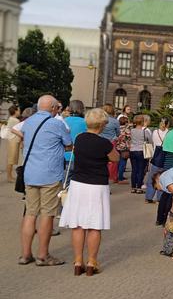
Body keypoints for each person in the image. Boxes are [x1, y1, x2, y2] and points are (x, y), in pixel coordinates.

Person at [59, 108, 119, 275]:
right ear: (102, 125)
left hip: (78, 183)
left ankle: (78, 260)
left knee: (78, 225)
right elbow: (116, 158)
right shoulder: (104, 143)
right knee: (94, 225)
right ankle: (92, 261)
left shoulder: (79, 139)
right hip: (97, 185)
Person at [18, 95, 72, 266]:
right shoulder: (56, 124)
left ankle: (25, 254)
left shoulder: (28, 122)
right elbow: (68, 143)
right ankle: (43, 255)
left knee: (30, 213)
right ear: (54, 108)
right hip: (49, 174)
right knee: (47, 214)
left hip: (30, 173)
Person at [145, 117, 169, 204]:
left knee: (152, 177)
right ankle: (160, 198)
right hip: (164, 156)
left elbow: (152, 142)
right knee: (162, 177)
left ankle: (149, 197)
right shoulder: (168, 133)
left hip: (156, 155)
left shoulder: (155, 132)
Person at [63, 100, 87, 185]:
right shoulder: (85, 122)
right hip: (80, 157)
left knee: (64, 186)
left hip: (64, 156)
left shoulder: (63, 121)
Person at [129, 114, 151, 193]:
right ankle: (139, 187)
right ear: (142, 122)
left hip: (132, 151)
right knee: (141, 169)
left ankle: (133, 187)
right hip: (141, 151)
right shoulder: (145, 131)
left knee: (134, 169)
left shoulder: (132, 130)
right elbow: (150, 140)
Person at [100, 103, 121, 182]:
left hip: (100, 142)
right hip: (111, 142)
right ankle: (110, 178)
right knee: (112, 162)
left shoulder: (100, 120)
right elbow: (118, 133)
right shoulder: (115, 121)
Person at [4, 105, 21, 182]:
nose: (19, 111)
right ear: (15, 111)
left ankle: (10, 176)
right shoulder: (15, 120)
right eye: (18, 110)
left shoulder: (12, 119)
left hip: (12, 140)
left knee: (11, 159)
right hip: (13, 141)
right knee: (11, 159)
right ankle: (9, 177)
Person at [115, 116, 131, 184]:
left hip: (117, 147)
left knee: (117, 163)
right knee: (123, 163)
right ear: (126, 122)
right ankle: (120, 177)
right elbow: (129, 137)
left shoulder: (117, 128)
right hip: (124, 148)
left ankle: (116, 176)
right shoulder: (126, 129)